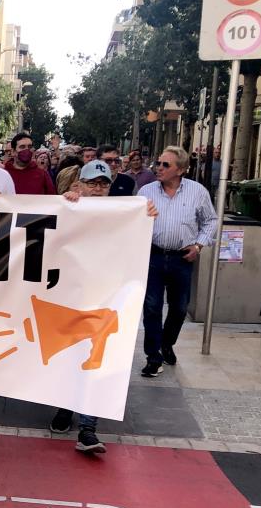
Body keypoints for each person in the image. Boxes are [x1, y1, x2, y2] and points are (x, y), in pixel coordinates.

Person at [50, 160, 159, 452]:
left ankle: (88, 428)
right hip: (70, 298)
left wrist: (145, 216)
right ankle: (64, 408)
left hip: (107, 301)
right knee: (68, 357)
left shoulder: (125, 213)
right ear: (80, 185)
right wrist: (65, 203)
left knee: (97, 359)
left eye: (103, 184)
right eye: (91, 183)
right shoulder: (67, 208)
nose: (97, 189)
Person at [138, 146, 218, 377]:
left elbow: (210, 221)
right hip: (153, 255)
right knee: (152, 307)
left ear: (181, 169)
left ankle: (166, 342)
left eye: (165, 165)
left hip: (182, 258)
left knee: (179, 308)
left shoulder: (197, 192)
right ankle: (153, 357)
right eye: (158, 163)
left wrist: (199, 245)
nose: (158, 168)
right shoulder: (146, 191)